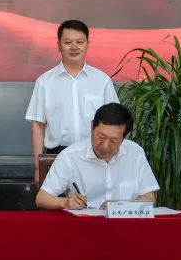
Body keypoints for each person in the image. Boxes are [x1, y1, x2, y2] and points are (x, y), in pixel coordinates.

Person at [26, 20, 119, 180]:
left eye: (79, 42)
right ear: (59, 45)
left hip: (95, 156)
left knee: (93, 197)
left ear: (87, 44)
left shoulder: (102, 80)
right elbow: (38, 126)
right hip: (55, 157)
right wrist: (37, 168)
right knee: (56, 197)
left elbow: (114, 124)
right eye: (68, 42)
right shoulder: (45, 82)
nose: (74, 47)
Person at [35, 103, 158, 210]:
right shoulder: (70, 156)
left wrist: (120, 207)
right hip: (85, 225)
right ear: (92, 126)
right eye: (101, 137)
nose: (105, 145)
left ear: (123, 138)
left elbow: (149, 197)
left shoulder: (135, 153)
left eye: (114, 140)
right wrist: (65, 202)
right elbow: (42, 198)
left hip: (126, 224)